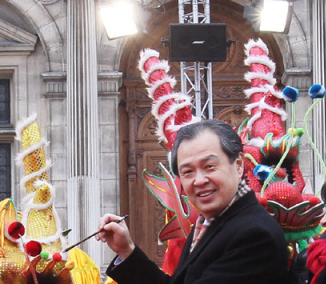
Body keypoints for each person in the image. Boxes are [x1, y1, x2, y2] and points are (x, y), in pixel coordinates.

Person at [96, 119, 289, 284]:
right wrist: (126, 250)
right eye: (188, 172)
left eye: (209, 166)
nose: (199, 180)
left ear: (238, 165)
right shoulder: (209, 222)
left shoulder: (254, 235)